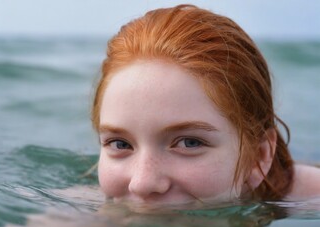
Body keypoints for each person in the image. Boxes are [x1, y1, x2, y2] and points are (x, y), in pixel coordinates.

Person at [91, 4, 320, 208]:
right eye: (119, 144)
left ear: (258, 157)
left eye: (190, 143)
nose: (141, 184)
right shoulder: (88, 207)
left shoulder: (310, 199)